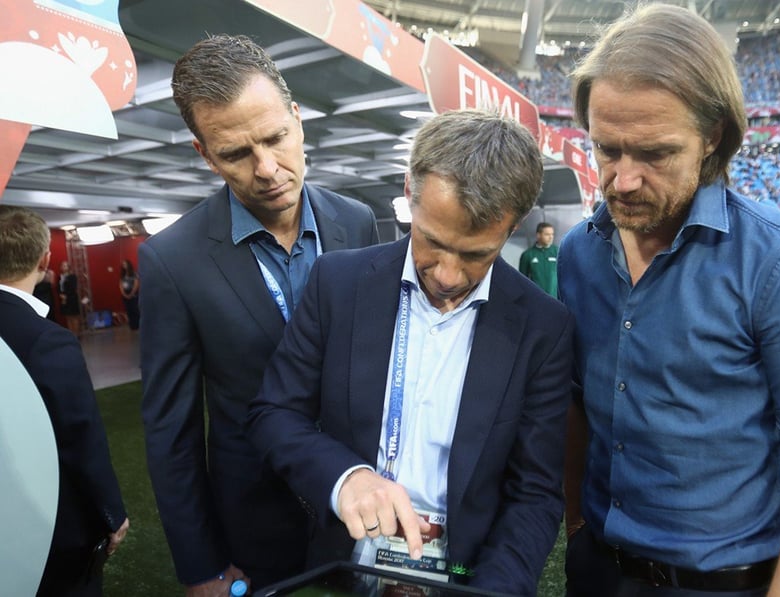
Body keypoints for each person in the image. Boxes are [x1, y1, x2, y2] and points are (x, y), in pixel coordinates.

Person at [559, 5, 780, 596]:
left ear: (713, 137)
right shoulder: (581, 251)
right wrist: (578, 524)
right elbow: (578, 403)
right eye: (606, 149)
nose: (622, 179)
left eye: (654, 153)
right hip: (597, 570)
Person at [247, 110, 573, 596]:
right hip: (342, 568)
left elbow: (536, 492)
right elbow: (273, 414)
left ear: (513, 227)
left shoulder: (543, 327)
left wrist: (490, 590)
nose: (446, 275)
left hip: (466, 577)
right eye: (433, 242)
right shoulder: (336, 284)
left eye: (475, 255)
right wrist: (347, 479)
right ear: (408, 193)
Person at [138, 34, 380, 594]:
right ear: (203, 153)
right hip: (255, 523)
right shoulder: (171, 261)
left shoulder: (358, 221)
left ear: (298, 119)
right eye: (235, 154)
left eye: (276, 138)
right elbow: (170, 433)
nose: (267, 168)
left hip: (364, 510)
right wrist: (200, 567)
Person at [0, 205, 130, 596]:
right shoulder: (47, 340)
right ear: (45, 259)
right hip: (48, 529)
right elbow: (80, 438)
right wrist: (112, 514)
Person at [518, 221, 558, 296]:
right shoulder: (528, 255)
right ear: (538, 235)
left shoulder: (558, 252)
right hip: (536, 299)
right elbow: (522, 281)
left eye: (552, 234)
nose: (551, 237)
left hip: (554, 299)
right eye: (547, 234)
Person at [58, 260, 83, 336]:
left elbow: (73, 288)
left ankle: (76, 334)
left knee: (74, 316)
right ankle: (71, 333)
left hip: (71, 298)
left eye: (65, 265)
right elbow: (59, 287)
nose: (63, 267)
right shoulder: (60, 276)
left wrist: (66, 295)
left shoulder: (72, 276)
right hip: (63, 299)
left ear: (68, 267)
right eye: (62, 265)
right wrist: (60, 294)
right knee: (68, 317)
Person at [119, 259, 140, 331]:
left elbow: (136, 284)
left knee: (135, 309)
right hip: (125, 293)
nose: (124, 266)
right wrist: (124, 294)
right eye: (123, 264)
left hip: (133, 293)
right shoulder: (122, 275)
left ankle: (138, 325)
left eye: (125, 264)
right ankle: (132, 326)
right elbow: (121, 285)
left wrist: (132, 293)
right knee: (129, 310)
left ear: (128, 265)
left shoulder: (134, 274)